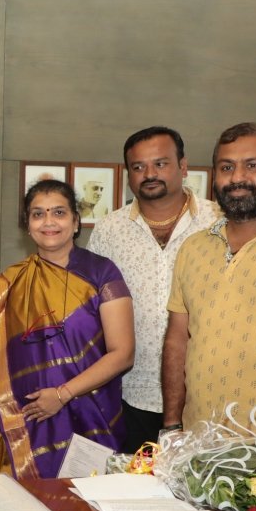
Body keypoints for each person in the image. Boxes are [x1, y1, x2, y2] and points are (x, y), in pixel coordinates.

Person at [0, 180, 134, 479]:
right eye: (38, 214)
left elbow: (123, 353)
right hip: (32, 420)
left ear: (75, 222)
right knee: (32, 502)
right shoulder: (9, 284)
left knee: (89, 504)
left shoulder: (102, 273)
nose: (49, 221)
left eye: (59, 212)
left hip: (92, 416)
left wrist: (62, 395)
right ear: (27, 226)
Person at [88, 126, 219, 452]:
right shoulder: (109, 230)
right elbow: (90, 311)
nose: (149, 174)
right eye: (138, 167)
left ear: (183, 166)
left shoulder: (218, 221)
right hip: (128, 395)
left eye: (160, 163)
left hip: (203, 394)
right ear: (128, 175)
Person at [163, 122, 256, 436]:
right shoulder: (192, 249)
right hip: (200, 441)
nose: (237, 177)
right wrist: (172, 424)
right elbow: (177, 341)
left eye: (252, 165)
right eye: (226, 167)